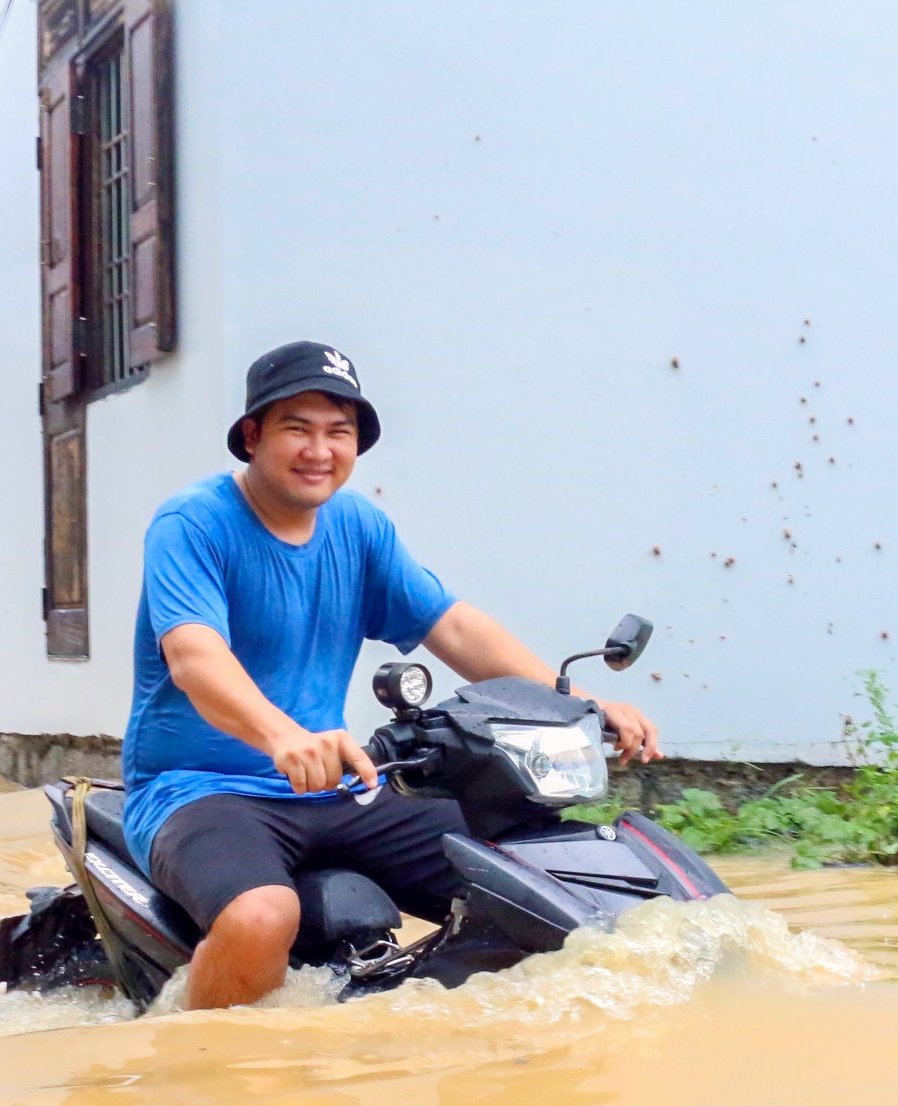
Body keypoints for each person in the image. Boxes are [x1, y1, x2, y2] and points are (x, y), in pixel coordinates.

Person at [122, 340, 662, 1010]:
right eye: (298, 428)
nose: (319, 450)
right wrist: (283, 736)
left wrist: (578, 702)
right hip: (200, 789)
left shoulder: (357, 526)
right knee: (262, 916)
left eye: (338, 432)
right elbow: (195, 656)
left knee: (530, 882)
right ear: (254, 435)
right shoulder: (193, 523)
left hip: (340, 783)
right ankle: (191, 1072)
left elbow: (455, 628)